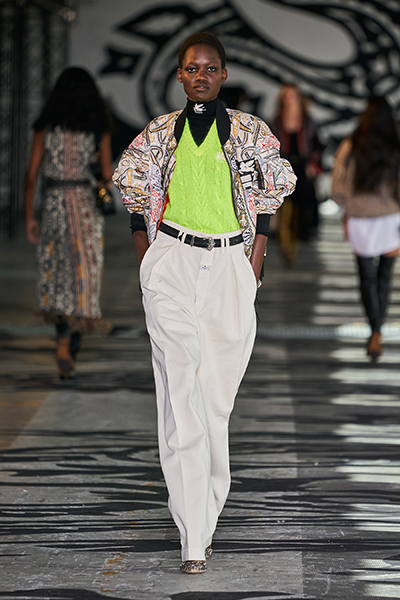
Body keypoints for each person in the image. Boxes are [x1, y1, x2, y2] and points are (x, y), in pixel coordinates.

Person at [113, 32, 296, 574]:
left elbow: (271, 192)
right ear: (179, 74)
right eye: (191, 68)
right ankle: (193, 535)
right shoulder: (158, 133)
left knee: (214, 405)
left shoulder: (248, 132)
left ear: (223, 74)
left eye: (210, 68)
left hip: (230, 266)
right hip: (171, 262)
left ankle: (206, 515)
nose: (200, 76)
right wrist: (148, 260)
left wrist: (255, 259)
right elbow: (133, 192)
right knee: (180, 394)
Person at [25, 67, 114, 379]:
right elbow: (106, 173)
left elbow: (31, 176)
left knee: (57, 270)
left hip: (54, 204)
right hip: (84, 205)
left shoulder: (46, 126)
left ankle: (62, 339)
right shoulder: (97, 126)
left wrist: (28, 216)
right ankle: (72, 343)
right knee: (84, 272)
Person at [331, 96, 400, 361]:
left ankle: (375, 330)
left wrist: (346, 206)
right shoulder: (395, 145)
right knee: (384, 277)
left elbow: (338, 183)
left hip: (360, 218)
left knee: (366, 278)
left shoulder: (353, 144)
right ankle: (376, 331)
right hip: (390, 218)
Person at [271, 84, 323, 265]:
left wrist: (313, 164)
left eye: (292, 95)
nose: (289, 99)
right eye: (285, 95)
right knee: (285, 210)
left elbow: (317, 145)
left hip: (302, 168)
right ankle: (287, 248)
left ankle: (296, 245)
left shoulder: (308, 122)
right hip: (283, 167)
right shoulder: (276, 121)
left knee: (302, 210)